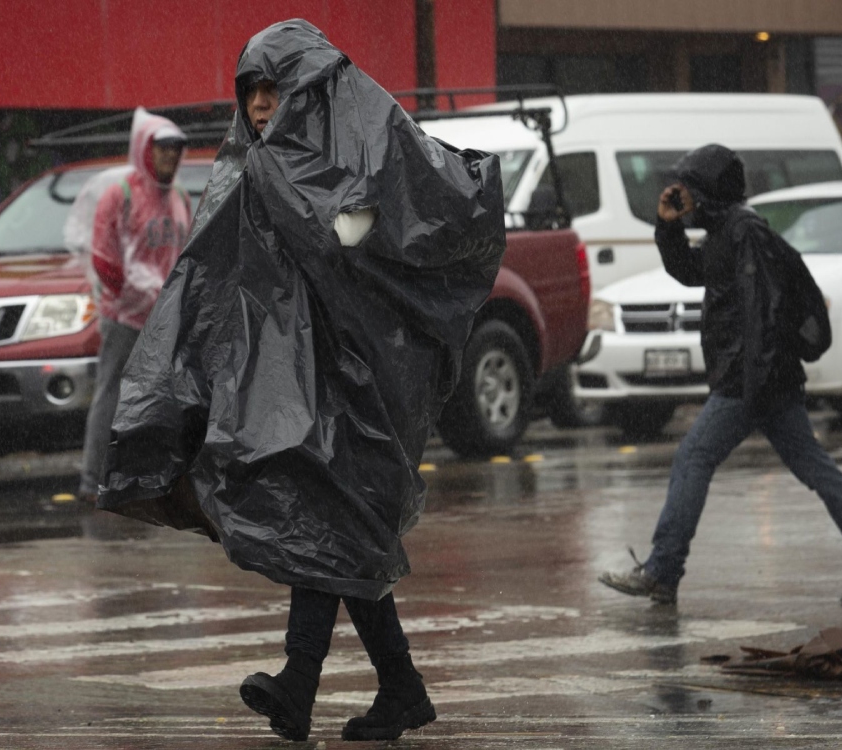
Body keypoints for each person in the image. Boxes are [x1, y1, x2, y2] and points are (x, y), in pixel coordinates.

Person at [97, 20, 505, 743]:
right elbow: (219, 276)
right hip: (294, 381)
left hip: (352, 379)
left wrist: (328, 224)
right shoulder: (254, 164)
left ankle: (302, 684)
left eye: (272, 88)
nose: (259, 104)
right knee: (333, 528)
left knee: (325, 522)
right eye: (250, 90)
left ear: (304, 92)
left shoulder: (350, 158)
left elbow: (376, 233)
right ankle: (394, 690)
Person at [597, 144, 842, 608]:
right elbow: (690, 273)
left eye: (688, 187)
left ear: (706, 193)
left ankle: (663, 570)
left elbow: (759, 311)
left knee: (693, 459)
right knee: (815, 468)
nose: (680, 194)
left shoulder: (744, 234)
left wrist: (748, 385)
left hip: (753, 378)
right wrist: (668, 226)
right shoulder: (727, 233)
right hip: (765, 378)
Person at [76, 110, 191, 504]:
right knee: (111, 396)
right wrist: (130, 292)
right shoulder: (120, 195)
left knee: (161, 402)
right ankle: (93, 480)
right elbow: (104, 257)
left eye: (176, 149)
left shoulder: (179, 199)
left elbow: (186, 256)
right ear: (144, 149)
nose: (171, 157)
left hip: (165, 321)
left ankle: (150, 478)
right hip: (125, 318)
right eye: (163, 148)